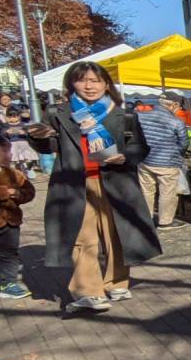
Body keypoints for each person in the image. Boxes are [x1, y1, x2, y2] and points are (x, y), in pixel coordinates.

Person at [27, 62, 162, 313]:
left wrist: (124, 157)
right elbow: (50, 148)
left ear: (106, 84)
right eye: (83, 80)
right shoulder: (59, 112)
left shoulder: (123, 114)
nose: (89, 86)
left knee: (117, 233)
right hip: (74, 183)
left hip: (117, 182)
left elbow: (140, 147)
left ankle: (116, 282)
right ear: (72, 83)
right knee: (83, 236)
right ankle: (88, 291)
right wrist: (39, 137)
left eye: (96, 80)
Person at [0, 132, 36, 299]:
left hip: (10, 222)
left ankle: (8, 283)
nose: (10, 155)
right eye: (5, 151)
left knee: (10, 253)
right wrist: (4, 192)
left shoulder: (13, 173)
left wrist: (19, 194)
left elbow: (29, 191)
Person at [135, 92, 190, 231]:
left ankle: (145, 219)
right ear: (174, 105)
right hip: (168, 161)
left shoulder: (141, 117)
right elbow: (184, 144)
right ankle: (165, 222)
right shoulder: (177, 122)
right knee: (167, 192)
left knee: (146, 191)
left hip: (145, 159)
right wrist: (176, 153)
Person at [2, 108, 40, 173]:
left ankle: (29, 167)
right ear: (6, 117)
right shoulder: (5, 125)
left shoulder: (23, 124)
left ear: (19, 116)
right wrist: (6, 132)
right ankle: (18, 167)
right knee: (14, 155)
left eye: (14, 116)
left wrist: (25, 133)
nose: (12, 118)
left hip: (24, 143)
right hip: (12, 143)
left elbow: (30, 133)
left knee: (27, 155)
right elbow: (2, 135)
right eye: (9, 117)